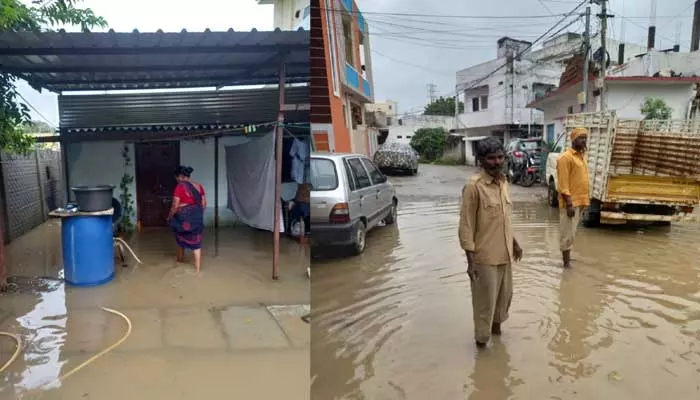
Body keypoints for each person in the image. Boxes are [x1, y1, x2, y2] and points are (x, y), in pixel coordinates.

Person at [459, 137, 523, 348]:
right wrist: (471, 262)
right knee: (485, 307)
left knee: (503, 303)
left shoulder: (503, 183)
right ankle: (482, 349)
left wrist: (514, 242)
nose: (497, 162)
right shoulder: (474, 187)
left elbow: (503, 218)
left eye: (500, 157)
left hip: (504, 255)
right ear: (481, 160)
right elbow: (466, 226)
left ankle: (497, 343)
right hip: (484, 259)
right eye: (491, 158)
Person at [556, 127, 590, 268]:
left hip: (580, 201)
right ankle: (566, 265)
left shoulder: (581, 157)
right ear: (573, 139)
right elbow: (563, 184)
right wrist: (569, 204)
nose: (584, 141)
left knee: (573, 233)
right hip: (571, 203)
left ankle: (568, 259)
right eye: (581, 138)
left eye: (585, 138)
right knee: (567, 233)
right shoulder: (565, 158)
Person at [167, 166, 206, 273]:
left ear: (180, 177)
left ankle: (179, 262)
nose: (176, 180)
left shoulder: (180, 186)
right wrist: (198, 215)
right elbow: (204, 204)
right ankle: (197, 270)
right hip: (197, 217)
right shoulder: (199, 186)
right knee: (196, 243)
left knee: (180, 240)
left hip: (183, 219)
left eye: (176, 177)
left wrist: (169, 217)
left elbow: (175, 205)